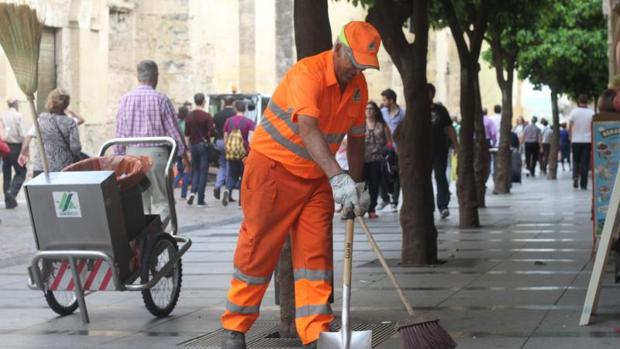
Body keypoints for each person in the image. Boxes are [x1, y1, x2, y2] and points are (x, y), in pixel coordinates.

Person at [220, 21, 379, 349]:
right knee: (258, 250)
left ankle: (316, 333)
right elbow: (307, 128)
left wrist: (357, 184)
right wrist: (338, 176)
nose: (358, 72)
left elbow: (358, 137)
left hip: (316, 179)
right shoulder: (308, 73)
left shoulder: (359, 87)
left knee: (315, 259)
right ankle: (235, 328)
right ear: (338, 50)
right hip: (272, 172)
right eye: (355, 63)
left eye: (365, 66)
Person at [115, 60, 189, 225]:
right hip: (157, 155)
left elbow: (119, 131)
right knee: (163, 201)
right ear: (156, 76)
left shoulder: (125, 100)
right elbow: (174, 131)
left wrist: (119, 158)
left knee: (140, 202)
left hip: (132, 156)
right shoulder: (161, 99)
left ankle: (144, 239)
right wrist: (183, 154)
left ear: (137, 76)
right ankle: (156, 236)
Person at [19, 89, 82, 177]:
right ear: (66, 104)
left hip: (42, 168)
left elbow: (28, 136)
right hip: (64, 169)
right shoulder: (70, 122)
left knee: (40, 191)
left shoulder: (41, 119)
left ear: (50, 102)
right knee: (62, 191)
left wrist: (23, 153)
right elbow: (76, 149)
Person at [429, 83, 459, 219]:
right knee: (423, 179)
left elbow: (449, 128)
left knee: (440, 176)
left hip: (440, 149)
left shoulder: (441, 110)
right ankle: (428, 206)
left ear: (433, 94)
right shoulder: (416, 109)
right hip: (422, 151)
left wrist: (456, 144)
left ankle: (443, 206)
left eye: (429, 92)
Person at [222, 101, 255, 206]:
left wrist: (227, 148)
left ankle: (227, 189)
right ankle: (241, 200)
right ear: (244, 109)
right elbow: (251, 138)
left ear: (235, 109)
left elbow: (225, 137)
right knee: (243, 176)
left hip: (232, 151)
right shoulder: (249, 122)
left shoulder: (228, 121)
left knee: (232, 174)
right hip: (243, 152)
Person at [185, 93, 215, 207]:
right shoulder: (207, 116)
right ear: (203, 102)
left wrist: (188, 149)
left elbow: (186, 134)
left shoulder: (189, 116)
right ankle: (200, 199)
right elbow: (211, 132)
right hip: (203, 146)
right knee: (203, 172)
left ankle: (192, 192)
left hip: (193, 145)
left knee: (195, 170)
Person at [364, 101, 392, 219]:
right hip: (362, 159)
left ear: (375, 111)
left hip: (377, 159)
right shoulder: (360, 124)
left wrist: (386, 152)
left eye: (371, 109)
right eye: (366, 109)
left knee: (374, 185)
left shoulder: (382, 125)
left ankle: (372, 209)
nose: (368, 111)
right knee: (361, 185)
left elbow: (390, 142)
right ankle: (360, 208)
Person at [380, 88, 405, 212]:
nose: (383, 102)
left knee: (396, 174)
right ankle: (386, 196)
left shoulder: (402, 114)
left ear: (391, 100)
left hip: (398, 148)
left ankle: (394, 200)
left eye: (385, 100)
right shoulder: (382, 112)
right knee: (384, 172)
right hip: (385, 148)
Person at [1, 98, 26, 209]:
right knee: (21, 172)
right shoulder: (18, 116)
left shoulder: (3, 115)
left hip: (4, 147)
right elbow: (23, 134)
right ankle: (12, 192)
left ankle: (8, 201)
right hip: (16, 146)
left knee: (6, 173)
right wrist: (25, 150)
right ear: (16, 104)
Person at [569, 94, 594, 189]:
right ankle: (583, 184)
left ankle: (575, 176)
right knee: (585, 162)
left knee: (576, 160)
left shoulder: (574, 112)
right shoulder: (591, 113)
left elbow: (570, 125)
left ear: (578, 101)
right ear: (587, 101)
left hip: (576, 140)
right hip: (587, 140)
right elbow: (593, 127)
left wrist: (570, 136)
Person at [213, 96, 236, 199]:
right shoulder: (234, 115)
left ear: (224, 102)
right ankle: (228, 189)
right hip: (231, 141)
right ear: (233, 103)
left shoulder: (217, 114)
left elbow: (214, 128)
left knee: (222, 164)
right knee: (230, 166)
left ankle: (218, 185)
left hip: (219, 141)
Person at [174, 105, 190, 199]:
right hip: (184, 149)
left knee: (180, 171)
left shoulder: (176, 122)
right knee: (187, 171)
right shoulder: (186, 123)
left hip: (176, 148)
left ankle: (172, 187)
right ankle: (183, 194)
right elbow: (186, 137)